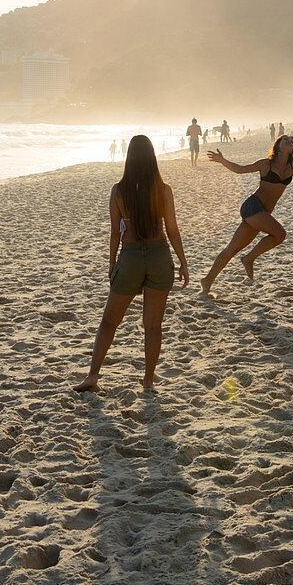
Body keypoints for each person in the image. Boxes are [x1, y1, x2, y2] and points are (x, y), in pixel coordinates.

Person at [74, 135, 189, 392]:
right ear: (152, 157)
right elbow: (172, 229)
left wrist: (112, 262)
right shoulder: (164, 189)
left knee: (109, 322)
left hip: (131, 256)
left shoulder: (119, 190)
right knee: (152, 325)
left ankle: (93, 375)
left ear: (128, 157)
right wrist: (183, 262)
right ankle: (148, 380)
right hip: (160, 256)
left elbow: (115, 232)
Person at [200, 119, 293, 295]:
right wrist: (222, 160)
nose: (288, 141)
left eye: (291, 140)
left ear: (292, 148)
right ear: (278, 145)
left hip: (262, 213)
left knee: (232, 248)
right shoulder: (266, 164)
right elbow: (241, 169)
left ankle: (207, 280)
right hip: (253, 206)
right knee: (279, 234)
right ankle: (248, 259)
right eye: (284, 139)